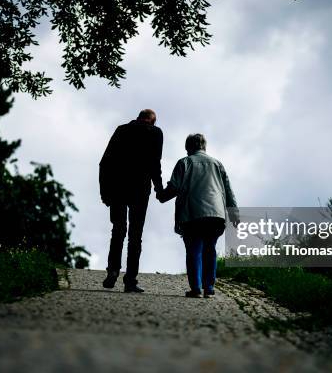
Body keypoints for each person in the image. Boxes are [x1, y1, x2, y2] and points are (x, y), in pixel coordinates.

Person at [156, 133, 239, 298]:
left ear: (188, 147)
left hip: (192, 213)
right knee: (210, 249)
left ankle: (196, 288)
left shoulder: (185, 162)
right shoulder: (217, 164)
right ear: (204, 147)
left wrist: (161, 196)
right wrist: (234, 215)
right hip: (216, 215)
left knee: (194, 250)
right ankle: (209, 288)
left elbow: (174, 187)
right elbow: (228, 191)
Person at [99, 109, 163, 293]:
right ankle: (130, 280)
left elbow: (105, 162)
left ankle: (112, 271)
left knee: (118, 230)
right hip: (140, 190)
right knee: (136, 235)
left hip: (118, 188)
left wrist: (104, 191)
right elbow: (155, 163)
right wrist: (159, 188)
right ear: (152, 121)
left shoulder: (121, 130)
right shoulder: (155, 133)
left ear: (138, 117)